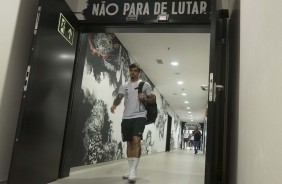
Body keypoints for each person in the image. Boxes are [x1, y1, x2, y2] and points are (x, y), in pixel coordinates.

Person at [110, 63, 156, 183]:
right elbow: (119, 97)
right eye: (131, 71)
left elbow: (152, 99)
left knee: (136, 140)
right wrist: (114, 104)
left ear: (138, 72)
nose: (133, 73)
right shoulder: (124, 86)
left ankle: (133, 171)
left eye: (135, 71)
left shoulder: (144, 84)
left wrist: (145, 98)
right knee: (129, 143)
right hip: (126, 118)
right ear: (129, 72)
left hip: (140, 116)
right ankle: (130, 169)